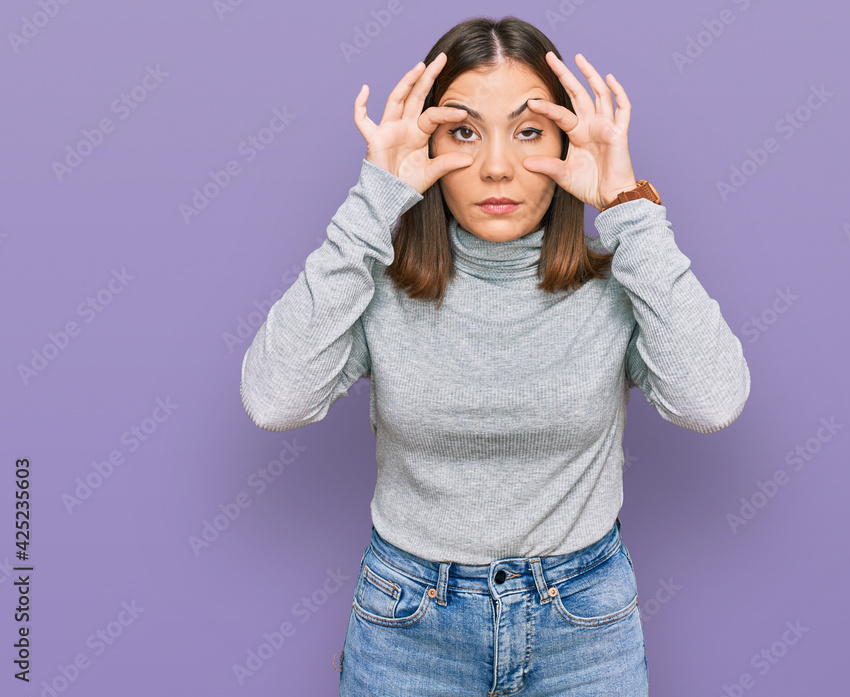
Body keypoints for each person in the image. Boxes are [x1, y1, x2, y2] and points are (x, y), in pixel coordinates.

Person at [239, 15, 750, 697]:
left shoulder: (620, 286)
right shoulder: (375, 285)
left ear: (567, 140)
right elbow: (275, 401)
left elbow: (712, 401)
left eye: (529, 130)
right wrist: (373, 200)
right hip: (408, 624)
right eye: (464, 131)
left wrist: (628, 206)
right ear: (429, 142)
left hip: (583, 624)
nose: (498, 166)